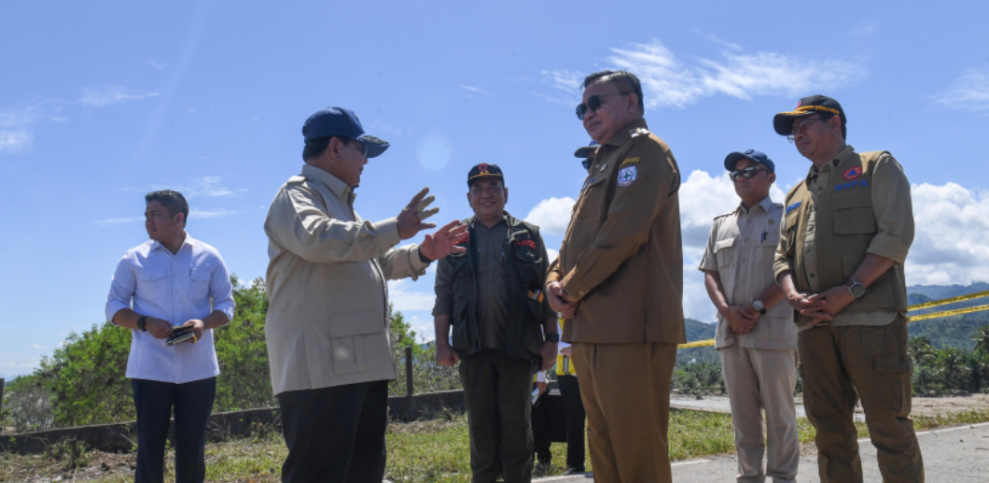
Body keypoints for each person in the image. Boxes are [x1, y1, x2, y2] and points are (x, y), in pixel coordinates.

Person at [263, 107, 467, 483]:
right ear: (336, 148)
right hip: (321, 370)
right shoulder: (296, 195)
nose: (367, 162)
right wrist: (396, 227)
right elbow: (318, 238)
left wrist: (424, 253)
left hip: (356, 364)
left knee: (363, 472)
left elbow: (379, 262)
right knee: (320, 475)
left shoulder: (342, 206)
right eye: (364, 151)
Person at [545, 70, 686, 483]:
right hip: (591, 326)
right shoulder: (603, 161)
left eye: (596, 102)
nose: (586, 113)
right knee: (603, 446)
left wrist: (567, 287)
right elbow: (573, 241)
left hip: (630, 328)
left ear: (632, 102)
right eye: (580, 107)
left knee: (637, 453)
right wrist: (553, 281)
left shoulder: (646, 152)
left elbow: (623, 234)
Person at [773, 95, 923, 482]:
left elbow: (895, 237)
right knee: (830, 433)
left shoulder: (876, 167)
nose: (798, 133)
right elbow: (781, 259)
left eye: (805, 123)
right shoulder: (794, 195)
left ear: (834, 122)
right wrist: (792, 296)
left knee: (889, 428)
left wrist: (850, 290)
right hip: (815, 327)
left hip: (870, 321)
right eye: (793, 131)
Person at [433, 163, 558, 483]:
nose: (486, 194)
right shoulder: (455, 237)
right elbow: (444, 294)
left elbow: (546, 291)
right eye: (478, 189)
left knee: (518, 431)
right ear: (468, 197)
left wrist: (551, 340)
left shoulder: (529, 235)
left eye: (493, 188)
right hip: (473, 351)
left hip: (518, 349)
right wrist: (442, 343)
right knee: (482, 432)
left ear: (505, 194)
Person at [105, 190, 236, 483]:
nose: (148, 221)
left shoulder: (209, 256)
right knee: (149, 450)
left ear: (179, 218)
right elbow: (113, 307)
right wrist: (144, 322)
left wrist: (203, 323)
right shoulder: (133, 259)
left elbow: (227, 305)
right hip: (150, 368)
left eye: (155, 214)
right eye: (146, 215)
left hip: (198, 370)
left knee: (192, 450)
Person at [699, 149, 799, 483]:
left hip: (773, 330)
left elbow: (794, 271)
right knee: (743, 419)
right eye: (736, 174)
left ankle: (783, 478)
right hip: (731, 333)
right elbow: (710, 274)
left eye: (750, 171)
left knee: (780, 416)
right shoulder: (721, 224)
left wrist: (756, 308)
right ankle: (750, 477)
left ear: (770, 177)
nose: (741, 179)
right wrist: (727, 312)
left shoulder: (787, 219)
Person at [555, 317, 586, 475]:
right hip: (569, 376)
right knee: (574, 422)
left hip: (593, 375)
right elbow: (563, 346)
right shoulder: (558, 315)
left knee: (601, 421)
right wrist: (589, 351)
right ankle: (575, 464)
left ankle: (606, 462)